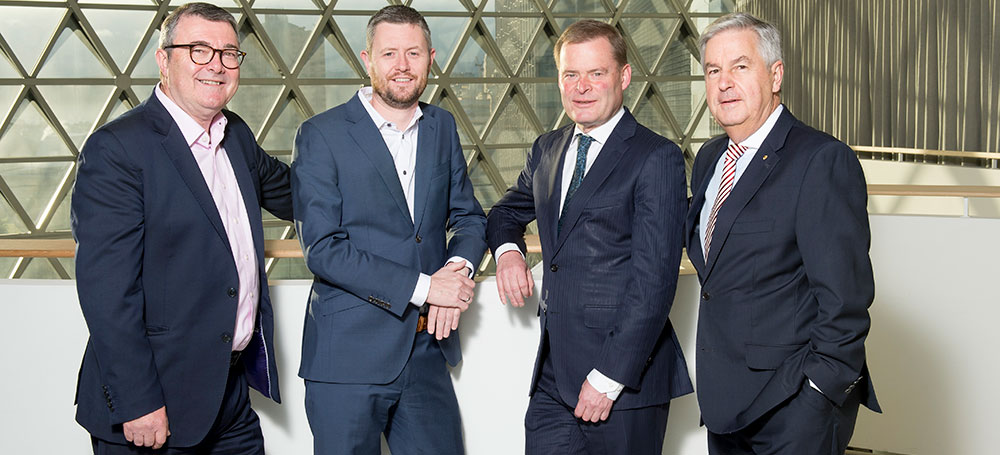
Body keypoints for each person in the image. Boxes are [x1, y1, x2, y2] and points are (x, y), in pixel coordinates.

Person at [72, 3, 293, 454]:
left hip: (228, 398)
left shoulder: (236, 137)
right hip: (155, 403)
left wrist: (365, 139)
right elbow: (107, 292)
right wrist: (137, 401)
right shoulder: (118, 149)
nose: (217, 64)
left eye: (229, 53)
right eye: (199, 50)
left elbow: (299, 195)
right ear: (163, 58)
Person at [486, 19, 692, 454]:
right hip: (552, 379)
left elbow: (653, 281)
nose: (581, 87)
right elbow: (504, 212)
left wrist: (608, 378)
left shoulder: (657, 158)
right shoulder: (547, 149)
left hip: (622, 381)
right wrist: (508, 252)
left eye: (596, 73)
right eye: (570, 74)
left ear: (624, 77)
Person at [291, 5, 487, 454]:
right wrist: (425, 288)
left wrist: (456, 272)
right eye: (389, 54)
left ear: (431, 58)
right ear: (367, 59)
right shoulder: (321, 134)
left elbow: (470, 216)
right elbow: (322, 248)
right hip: (348, 358)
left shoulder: (442, 126)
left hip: (425, 352)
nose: (402, 66)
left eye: (413, 53)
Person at [686, 12, 881, 455]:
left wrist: (818, 393)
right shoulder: (710, 159)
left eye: (739, 66)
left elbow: (845, 301)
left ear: (775, 75)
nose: (723, 83)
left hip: (794, 407)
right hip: (724, 405)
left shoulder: (820, 161)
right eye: (713, 70)